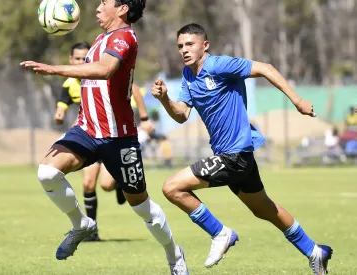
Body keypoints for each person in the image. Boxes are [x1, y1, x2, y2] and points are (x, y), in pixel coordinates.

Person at [20, 1, 189, 274]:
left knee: (142, 207)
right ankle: (81, 224)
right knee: (47, 173)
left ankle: (174, 254)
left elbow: (105, 70)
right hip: (86, 130)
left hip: (119, 138)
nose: (98, 7)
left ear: (122, 9)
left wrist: (54, 68)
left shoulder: (125, 37)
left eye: (104, 3)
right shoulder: (101, 39)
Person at [151, 23, 332, 275]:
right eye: (180, 46)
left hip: (234, 154)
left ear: (205, 45)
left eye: (190, 44)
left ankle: (220, 233)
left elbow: (266, 69)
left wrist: (298, 100)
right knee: (263, 209)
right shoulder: (188, 75)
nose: (184, 50)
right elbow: (181, 114)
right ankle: (314, 252)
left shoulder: (218, 65)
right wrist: (164, 99)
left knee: (171, 187)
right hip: (236, 156)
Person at [53, 42, 155, 241]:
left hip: (112, 138)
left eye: (85, 58)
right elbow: (62, 105)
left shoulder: (100, 76)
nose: (82, 62)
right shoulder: (69, 84)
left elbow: (133, 88)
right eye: (78, 59)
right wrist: (60, 114)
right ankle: (91, 232)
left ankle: (119, 184)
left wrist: (144, 118)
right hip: (89, 138)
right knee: (88, 183)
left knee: (106, 185)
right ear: (71, 60)